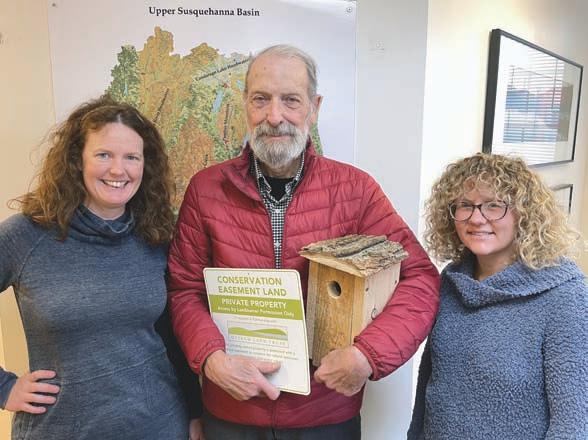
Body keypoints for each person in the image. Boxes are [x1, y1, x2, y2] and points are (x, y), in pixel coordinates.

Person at [167, 44, 440, 438]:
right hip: (232, 412)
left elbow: (419, 278)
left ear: (314, 107)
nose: (274, 116)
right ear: (245, 103)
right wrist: (211, 359)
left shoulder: (355, 189)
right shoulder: (206, 189)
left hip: (326, 414)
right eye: (261, 99)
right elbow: (184, 289)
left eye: (290, 100)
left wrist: (367, 354)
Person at [0, 97, 204, 439]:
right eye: (104, 155)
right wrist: (4, 388)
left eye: (131, 157)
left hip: (161, 426)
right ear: (76, 160)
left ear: (146, 166)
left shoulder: (156, 234)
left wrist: (195, 413)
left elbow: (172, 334)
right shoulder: (26, 235)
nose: (118, 170)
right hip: (61, 430)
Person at [408, 153, 587, 440]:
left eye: (494, 205)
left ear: (524, 214)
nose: (476, 218)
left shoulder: (565, 296)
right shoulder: (452, 281)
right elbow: (429, 386)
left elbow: (573, 423)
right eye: (465, 205)